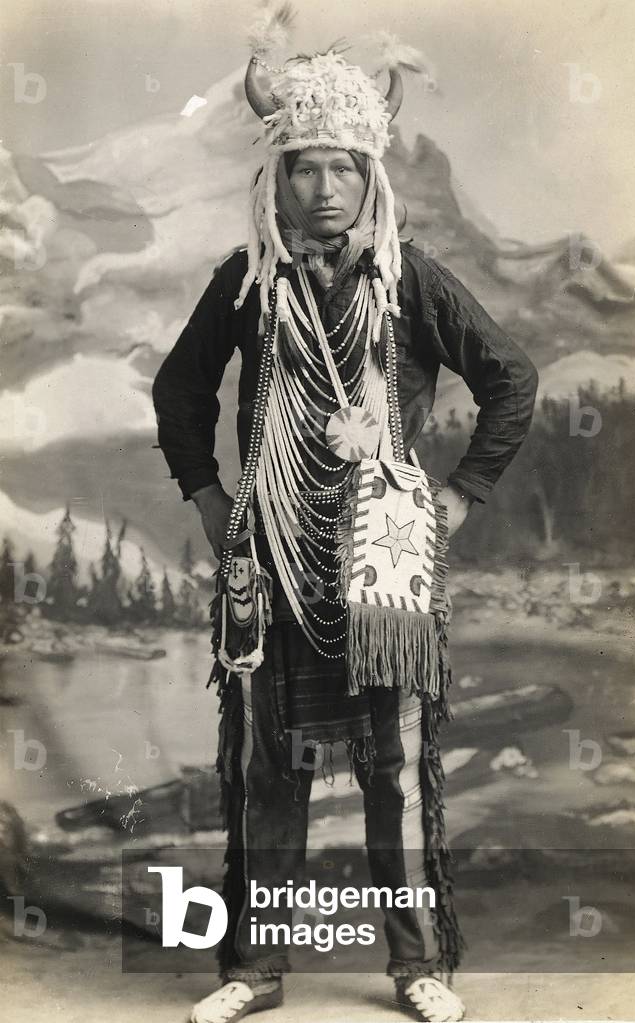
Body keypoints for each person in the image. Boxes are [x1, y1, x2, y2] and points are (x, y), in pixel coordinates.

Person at [152, 30, 538, 1023]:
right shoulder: (246, 282)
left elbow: (510, 377)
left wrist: (459, 495)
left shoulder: (411, 280)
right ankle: (255, 969)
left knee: (393, 769)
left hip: (385, 566)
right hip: (272, 558)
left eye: (344, 168)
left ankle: (417, 967)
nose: (324, 189)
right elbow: (179, 390)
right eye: (304, 168)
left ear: (372, 176)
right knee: (268, 767)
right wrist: (208, 498)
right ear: (274, 180)